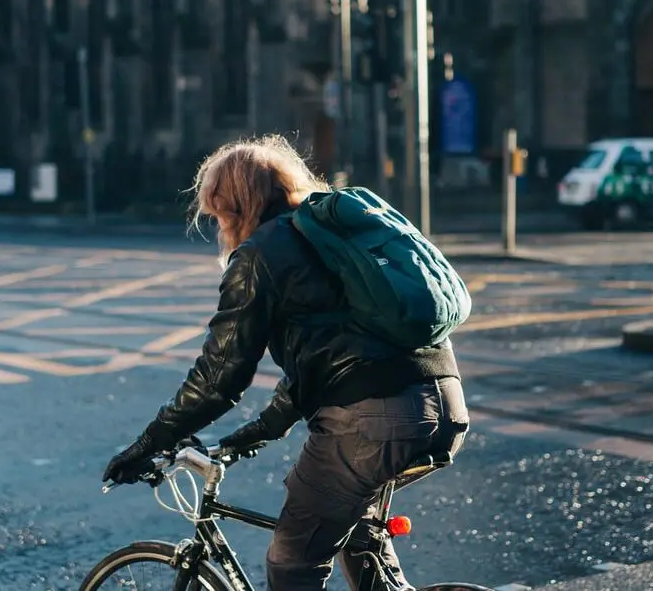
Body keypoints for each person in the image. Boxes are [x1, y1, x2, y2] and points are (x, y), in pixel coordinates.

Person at [103, 135, 470, 591]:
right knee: (356, 535)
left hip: (373, 420)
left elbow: (220, 374)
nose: (219, 227)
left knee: (293, 561)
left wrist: (148, 443)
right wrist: (254, 433)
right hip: (442, 400)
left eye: (219, 214)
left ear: (237, 208)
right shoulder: (325, 236)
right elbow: (325, 361)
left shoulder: (260, 254)